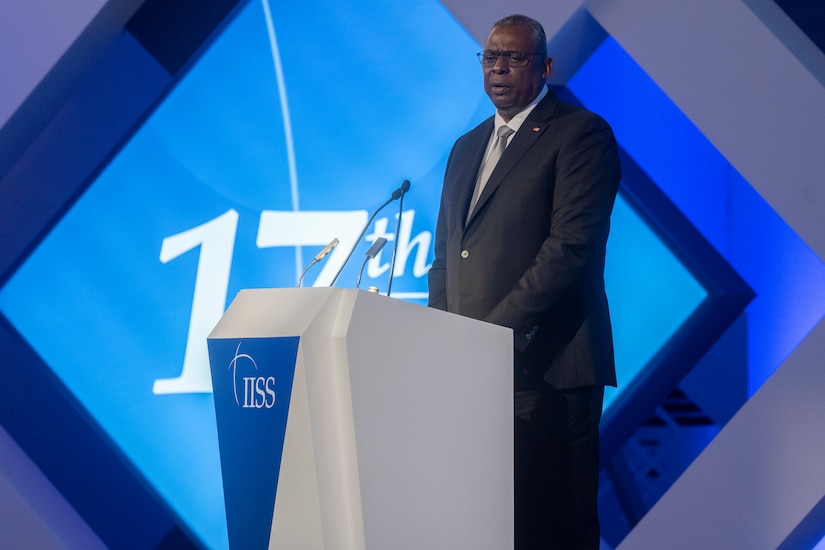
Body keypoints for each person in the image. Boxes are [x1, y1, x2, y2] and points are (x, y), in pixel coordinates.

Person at [427, 14, 621, 550]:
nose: (499, 68)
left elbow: (570, 250)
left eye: (513, 57)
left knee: (552, 528)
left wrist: (494, 335)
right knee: (490, 529)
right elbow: (447, 253)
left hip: (548, 371)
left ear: (545, 66)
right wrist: (446, 337)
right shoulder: (466, 147)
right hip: (477, 376)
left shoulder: (580, 134)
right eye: (490, 57)